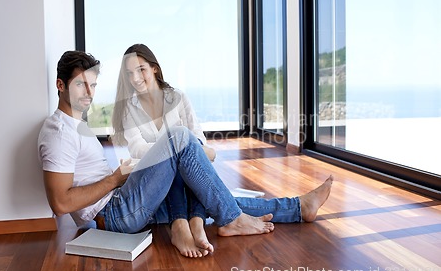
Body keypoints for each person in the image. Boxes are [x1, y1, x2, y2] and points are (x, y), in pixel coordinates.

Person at [38, 50, 334, 259]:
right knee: (179, 137)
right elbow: (61, 202)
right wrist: (115, 179)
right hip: (114, 214)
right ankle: (229, 220)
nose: (88, 92)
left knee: (207, 198)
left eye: (92, 84)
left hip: (120, 202)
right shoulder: (59, 132)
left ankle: (298, 207)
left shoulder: (75, 124)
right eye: (80, 84)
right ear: (60, 85)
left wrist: (121, 179)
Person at [111, 44, 216, 257]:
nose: (136, 78)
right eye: (130, 73)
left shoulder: (178, 97)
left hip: (188, 175)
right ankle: (185, 223)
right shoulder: (129, 109)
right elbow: (137, 149)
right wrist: (174, 149)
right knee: (178, 156)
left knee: (187, 150)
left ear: (154, 69)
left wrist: (179, 149)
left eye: (141, 69)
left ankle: (195, 222)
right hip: (156, 178)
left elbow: (199, 140)